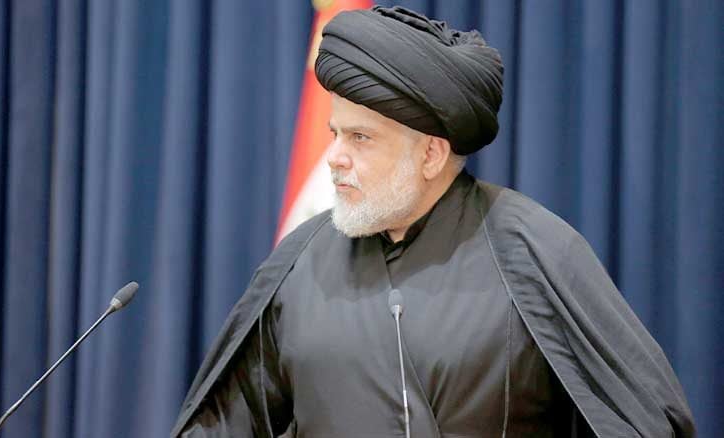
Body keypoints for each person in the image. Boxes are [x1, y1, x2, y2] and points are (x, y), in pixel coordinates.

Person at [171, 6, 695, 437]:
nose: (334, 157)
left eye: (360, 138)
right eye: (335, 133)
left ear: (430, 154)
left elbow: (645, 422)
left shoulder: (534, 251)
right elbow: (222, 425)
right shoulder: (297, 263)